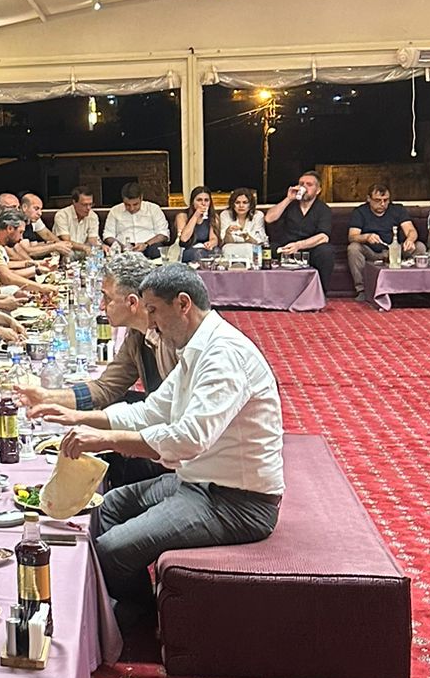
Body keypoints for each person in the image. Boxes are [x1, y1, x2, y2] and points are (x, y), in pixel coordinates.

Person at [52, 263, 284, 631]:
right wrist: (79, 418)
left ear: (183, 304)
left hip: (238, 503)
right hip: (200, 483)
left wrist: (107, 439)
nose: (151, 322)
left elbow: (189, 438)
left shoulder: (223, 355)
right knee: (107, 507)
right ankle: (126, 607)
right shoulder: (198, 347)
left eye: (154, 311)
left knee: (112, 548)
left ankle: (141, 624)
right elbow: (151, 411)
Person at [15, 253, 178, 488]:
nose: (101, 306)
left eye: (107, 298)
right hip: (159, 422)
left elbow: (176, 417)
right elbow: (106, 387)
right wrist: (47, 397)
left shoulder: (172, 340)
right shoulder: (137, 334)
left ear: (132, 302)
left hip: (178, 448)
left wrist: (116, 437)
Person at [264, 172, 335, 293]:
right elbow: (269, 218)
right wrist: (288, 198)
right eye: (301, 184)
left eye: (309, 184)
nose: (304, 187)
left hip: (310, 249)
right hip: (286, 248)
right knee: (267, 249)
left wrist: (299, 245)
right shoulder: (289, 204)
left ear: (318, 190)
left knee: (326, 251)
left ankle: (320, 293)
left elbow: (323, 236)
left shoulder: (323, 209)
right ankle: (273, 294)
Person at [346, 184, 422, 293]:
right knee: (353, 248)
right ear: (368, 199)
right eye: (377, 200)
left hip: (395, 250)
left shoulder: (397, 209)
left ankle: (413, 288)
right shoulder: (360, 212)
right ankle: (362, 289)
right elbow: (352, 236)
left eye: (386, 200)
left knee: (419, 247)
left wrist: (410, 240)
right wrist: (366, 237)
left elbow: (411, 230)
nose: (382, 204)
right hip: (371, 252)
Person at [103, 181, 169, 256]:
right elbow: (108, 235)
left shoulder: (153, 209)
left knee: (156, 251)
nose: (132, 208)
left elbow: (163, 234)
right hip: (123, 248)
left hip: (149, 247)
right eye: (127, 205)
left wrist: (146, 244)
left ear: (141, 198)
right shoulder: (115, 211)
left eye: (135, 204)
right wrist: (121, 246)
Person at [174, 186, 218, 264]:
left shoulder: (213, 217)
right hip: (187, 249)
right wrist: (196, 215)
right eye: (199, 200)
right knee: (197, 254)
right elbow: (184, 239)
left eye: (206, 200)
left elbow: (214, 238)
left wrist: (210, 243)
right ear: (192, 202)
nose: (203, 203)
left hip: (205, 249)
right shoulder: (182, 216)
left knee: (216, 252)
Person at [219, 186, 265, 253]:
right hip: (231, 250)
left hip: (252, 250)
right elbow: (226, 242)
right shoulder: (225, 214)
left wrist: (246, 237)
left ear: (250, 204)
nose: (241, 206)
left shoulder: (258, 215)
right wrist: (228, 233)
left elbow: (258, 243)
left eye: (245, 202)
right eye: (237, 202)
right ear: (232, 204)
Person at [53, 188, 101, 253]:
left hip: (84, 254)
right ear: (74, 202)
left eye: (90, 204)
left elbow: (92, 240)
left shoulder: (93, 216)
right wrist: (84, 247)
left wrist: (100, 247)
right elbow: (66, 241)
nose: (88, 208)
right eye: (84, 205)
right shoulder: (62, 215)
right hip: (65, 252)